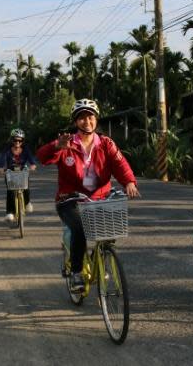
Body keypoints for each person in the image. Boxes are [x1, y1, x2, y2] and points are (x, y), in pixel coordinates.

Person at [36, 98, 140, 293]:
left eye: (90, 117)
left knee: (108, 232)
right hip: (69, 199)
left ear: (96, 119)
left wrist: (129, 182)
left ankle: (101, 256)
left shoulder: (106, 143)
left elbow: (120, 163)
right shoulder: (67, 142)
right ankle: (76, 272)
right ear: (76, 122)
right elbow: (42, 157)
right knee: (80, 228)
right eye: (82, 118)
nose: (87, 121)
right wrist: (56, 146)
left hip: (99, 198)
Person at [0, 128, 38, 223]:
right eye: (15, 140)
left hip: (23, 172)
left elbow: (32, 160)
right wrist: (0, 168)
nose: (17, 142)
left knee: (26, 189)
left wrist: (33, 165)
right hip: (10, 173)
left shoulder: (26, 149)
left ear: (22, 141)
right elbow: (2, 159)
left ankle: (27, 202)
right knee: (10, 192)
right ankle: (10, 212)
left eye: (20, 140)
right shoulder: (7, 149)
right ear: (12, 140)